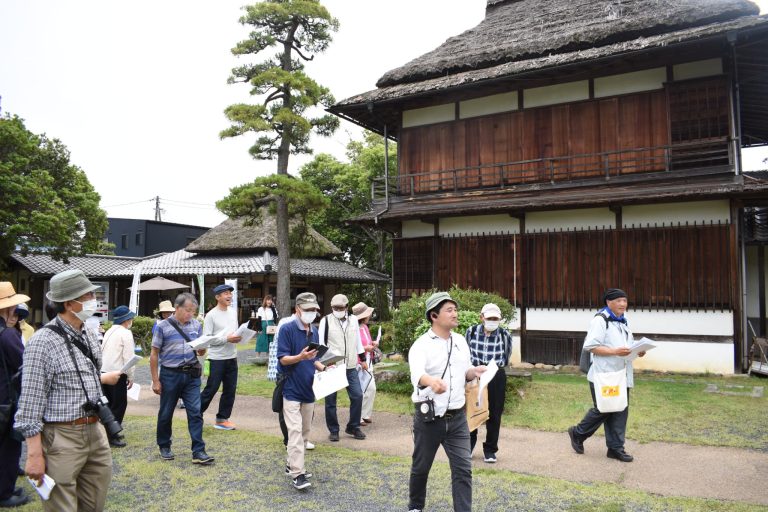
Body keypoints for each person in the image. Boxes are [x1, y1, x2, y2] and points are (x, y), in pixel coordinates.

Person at [14, 269, 122, 511]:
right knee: (61, 506)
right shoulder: (42, 342)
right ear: (70, 303)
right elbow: (30, 404)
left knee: (95, 503)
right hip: (61, 436)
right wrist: (34, 455)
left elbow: (87, 377)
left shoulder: (89, 333)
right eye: (88, 295)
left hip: (95, 428)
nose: (94, 299)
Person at [408, 291, 487, 512]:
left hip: (458, 418)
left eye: (455, 309)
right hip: (429, 418)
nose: (455, 314)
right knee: (421, 466)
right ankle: (415, 506)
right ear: (434, 315)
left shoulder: (460, 341)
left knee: (463, 468)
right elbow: (417, 375)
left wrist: (475, 372)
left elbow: (465, 372)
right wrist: (431, 381)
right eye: (449, 310)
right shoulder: (421, 345)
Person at [568, 288, 645, 463]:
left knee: (620, 409)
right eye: (619, 301)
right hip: (605, 375)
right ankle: (578, 433)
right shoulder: (600, 320)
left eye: (625, 301)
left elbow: (626, 345)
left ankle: (616, 448)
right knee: (604, 408)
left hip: (621, 374)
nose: (623, 304)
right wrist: (615, 351)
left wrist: (637, 350)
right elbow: (591, 346)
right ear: (608, 302)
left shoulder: (622, 322)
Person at [150, 292, 214, 465]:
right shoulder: (163, 326)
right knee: (166, 412)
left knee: (195, 412)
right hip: (170, 374)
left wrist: (202, 350)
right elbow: (154, 354)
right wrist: (156, 380)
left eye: (193, 311)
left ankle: (198, 451)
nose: (190, 314)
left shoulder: (195, 325)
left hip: (192, 374)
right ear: (176, 308)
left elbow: (201, 350)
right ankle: (164, 445)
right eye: (187, 310)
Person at [277, 292, 325, 490]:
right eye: (307, 310)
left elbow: (314, 359)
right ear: (297, 310)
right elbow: (283, 359)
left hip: (309, 387)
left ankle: (292, 464)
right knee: (295, 431)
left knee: (305, 431)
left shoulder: (314, 331)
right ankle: (298, 473)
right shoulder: (287, 329)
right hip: (290, 387)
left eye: (314, 310)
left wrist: (323, 366)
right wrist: (300, 357)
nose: (311, 313)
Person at [465, 302, 514, 464]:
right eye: (489, 318)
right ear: (482, 318)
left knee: (494, 412)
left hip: (495, 375)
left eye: (495, 318)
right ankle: (468, 446)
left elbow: (506, 358)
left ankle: (490, 450)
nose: (492, 321)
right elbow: (465, 354)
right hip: (474, 374)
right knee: (472, 410)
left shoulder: (504, 335)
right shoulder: (471, 332)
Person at [318, 294, 366, 441]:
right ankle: (333, 430)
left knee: (357, 396)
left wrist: (362, 358)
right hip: (332, 366)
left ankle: (353, 426)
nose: (338, 310)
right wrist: (323, 365)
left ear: (346, 307)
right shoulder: (325, 321)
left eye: (340, 308)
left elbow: (357, 341)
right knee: (331, 401)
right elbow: (321, 344)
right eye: (335, 308)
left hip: (351, 365)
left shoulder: (353, 320)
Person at [0, 283, 29, 508]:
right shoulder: (7, 334)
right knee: (9, 447)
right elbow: (24, 363)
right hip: (5, 402)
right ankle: (5, 493)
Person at [199, 284, 241, 430]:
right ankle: (196, 414)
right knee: (211, 388)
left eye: (230, 293)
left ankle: (222, 419)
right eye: (225, 293)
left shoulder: (233, 312)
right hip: (216, 358)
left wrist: (240, 336)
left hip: (232, 356)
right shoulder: (211, 315)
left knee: (230, 389)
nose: (229, 296)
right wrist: (226, 339)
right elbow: (207, 339)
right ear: (217, 297)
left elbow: (234, 332)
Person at [100, 305, 137, 447]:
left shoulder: (109, 331)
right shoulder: (126, 333)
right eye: (131, 318)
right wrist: (131, 376)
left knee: (107, 404)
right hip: (117, 373)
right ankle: (113, 435)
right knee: (119, 404)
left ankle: (105, 433)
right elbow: (129, 357)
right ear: (126, 320)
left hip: (104, 373)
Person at [352, 302, 377, 426]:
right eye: (368, 314)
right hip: (359, 363)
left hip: (368, 361)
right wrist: (366, 349)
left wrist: (372, 343)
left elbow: (367, 343)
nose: (370, 316)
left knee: (371, 388)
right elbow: (354, 346)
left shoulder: (365, 327)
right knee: (361, 390)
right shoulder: (353, 328)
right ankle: (358, 416)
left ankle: (365, 414)